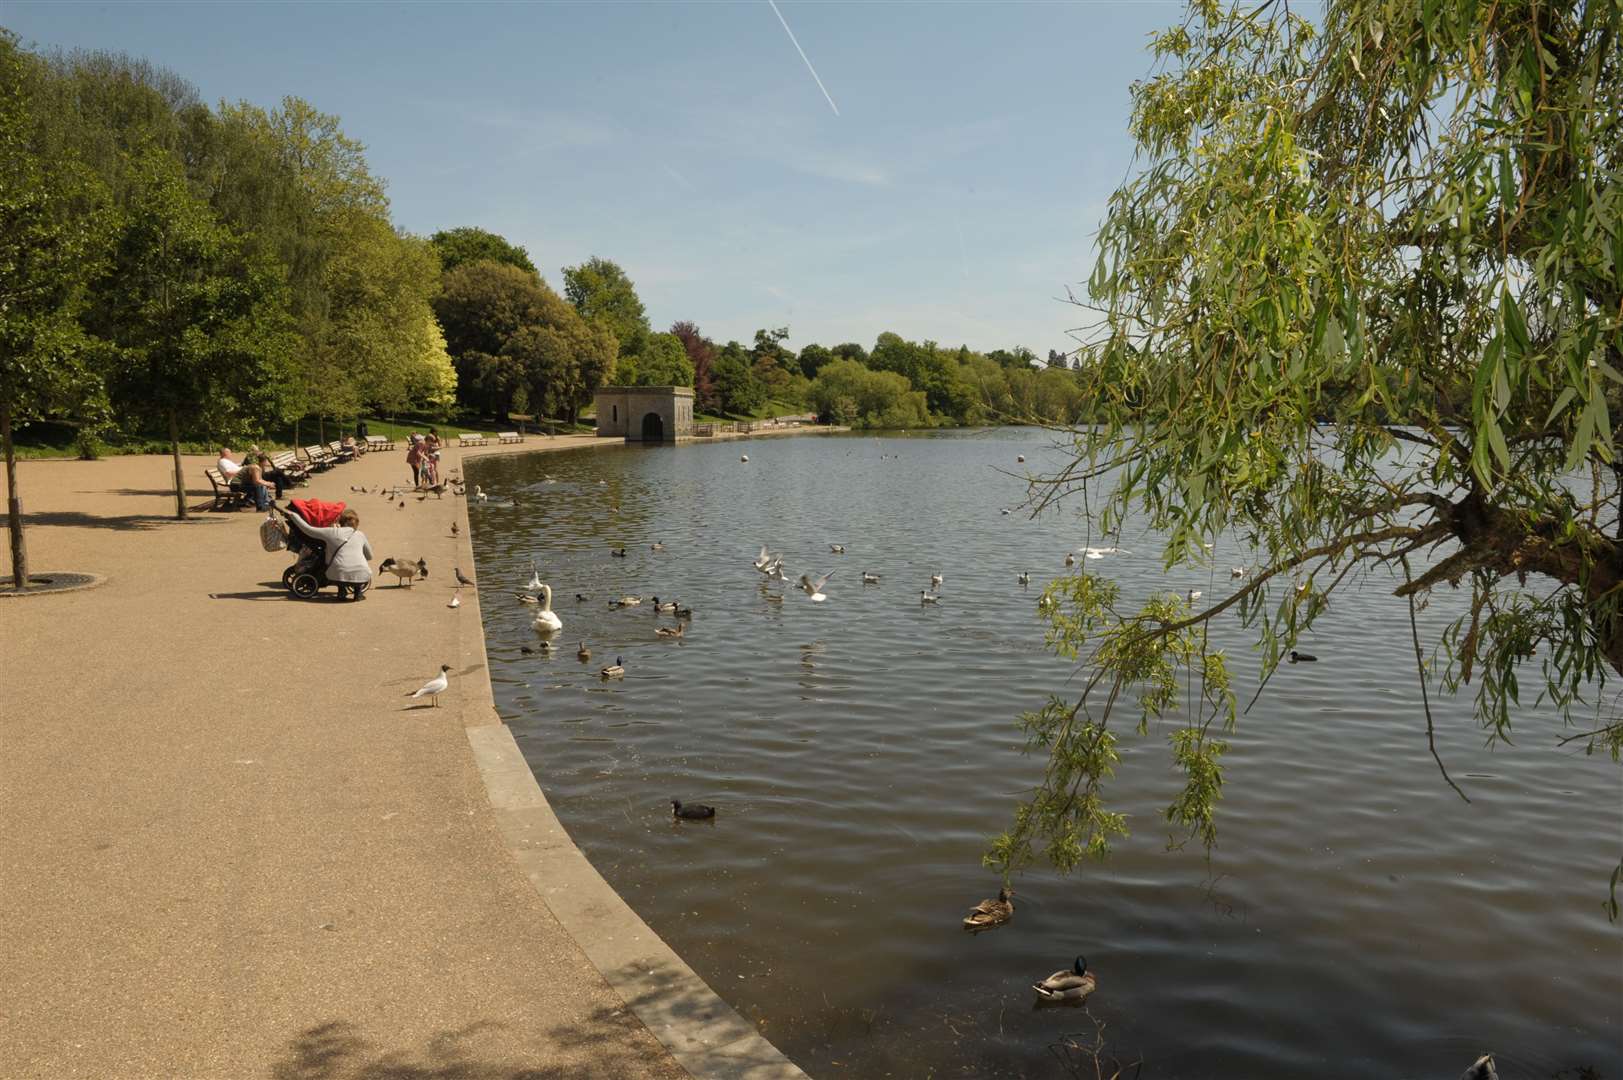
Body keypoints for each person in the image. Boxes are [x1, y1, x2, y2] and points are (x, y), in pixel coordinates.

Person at [282, 507, 374, 601]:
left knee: (335, 566)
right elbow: (370, 556)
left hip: (338, 573)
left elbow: (308, 529)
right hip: (362, 574)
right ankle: (358, 593)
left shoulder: (332, 532)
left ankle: (341, 591)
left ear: (340, 522)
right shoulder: (360, 535)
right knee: (357, 570)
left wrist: (293, 516)